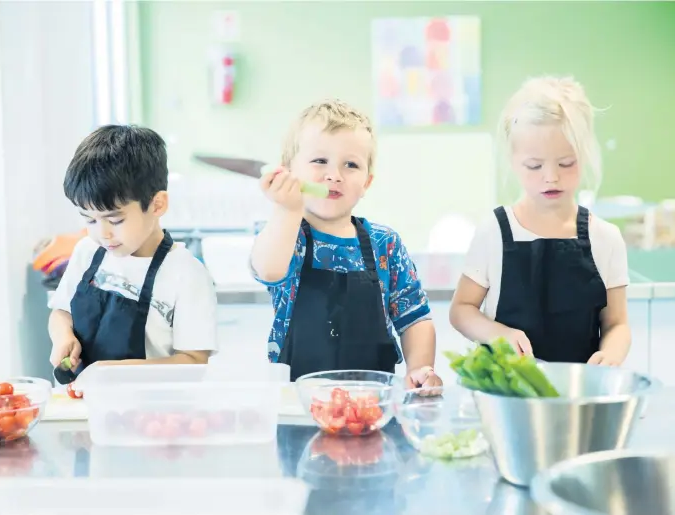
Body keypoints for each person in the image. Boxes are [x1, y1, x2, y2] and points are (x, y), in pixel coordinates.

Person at [250, 99, 441, 388]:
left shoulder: (384, 244)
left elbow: (414, 318)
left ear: (367, 182)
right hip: (297, 403)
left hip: (374, 404)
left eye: (351, 165)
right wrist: (287, 209)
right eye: (319, 161)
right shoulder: (288, 234)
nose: (334, 175)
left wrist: (421, 368)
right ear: (289, 171)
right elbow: (269, 270)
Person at [449, 76, 631, 365]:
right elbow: (461, 309)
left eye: (566, 163)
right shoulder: (493, 232)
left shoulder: (605, 238)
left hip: (578, 390)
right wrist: (498, 333)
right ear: (513, 160)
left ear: (584, 155)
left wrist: (610, 354)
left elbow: (617, 324)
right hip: (507, 394)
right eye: (535, 165)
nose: (551, 176)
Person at [47, 125, 217, 376]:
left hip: (156, 410)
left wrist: (115, 373)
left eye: (115, 220)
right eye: (89, 220)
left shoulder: (187, 274)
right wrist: (63, 337)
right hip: (87, 399)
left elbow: (193, 360)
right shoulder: (87, 251)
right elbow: (62, 311)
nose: (102, 234)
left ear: (157, 204)